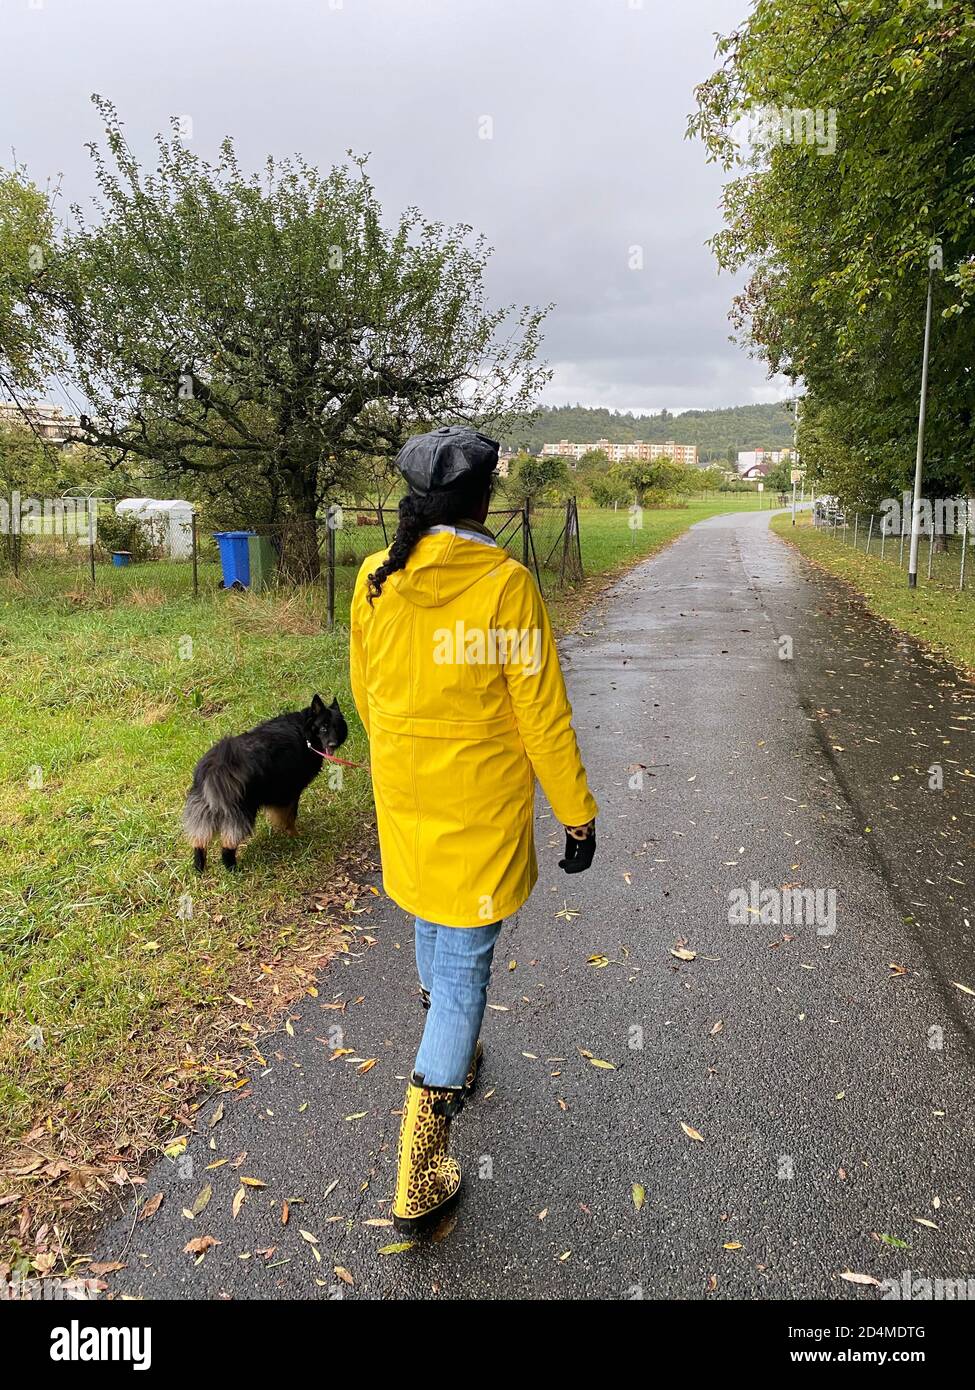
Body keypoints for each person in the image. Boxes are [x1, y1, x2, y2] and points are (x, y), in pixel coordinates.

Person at [349, 424, 597, 1234]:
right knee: (463, 974)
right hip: (477, 808)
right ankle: (417, 1181)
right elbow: (542, 715)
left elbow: (367, 691)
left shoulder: (374, 577)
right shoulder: (504, 586)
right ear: (484, 497)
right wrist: (576, 814)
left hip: (406, 798)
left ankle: (455, 1047)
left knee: (431, 915)